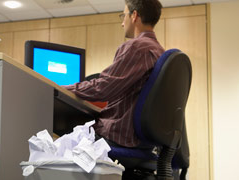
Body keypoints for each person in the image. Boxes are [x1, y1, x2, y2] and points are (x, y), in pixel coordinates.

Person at [62, 0, 164, 147]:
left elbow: (103, 89)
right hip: (143, 140)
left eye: (123, 16)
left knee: (61, 131)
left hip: (119, 135)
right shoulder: (159, 51)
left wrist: (62, 88)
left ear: (134, 15)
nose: (122, 23)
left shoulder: (137, 48)